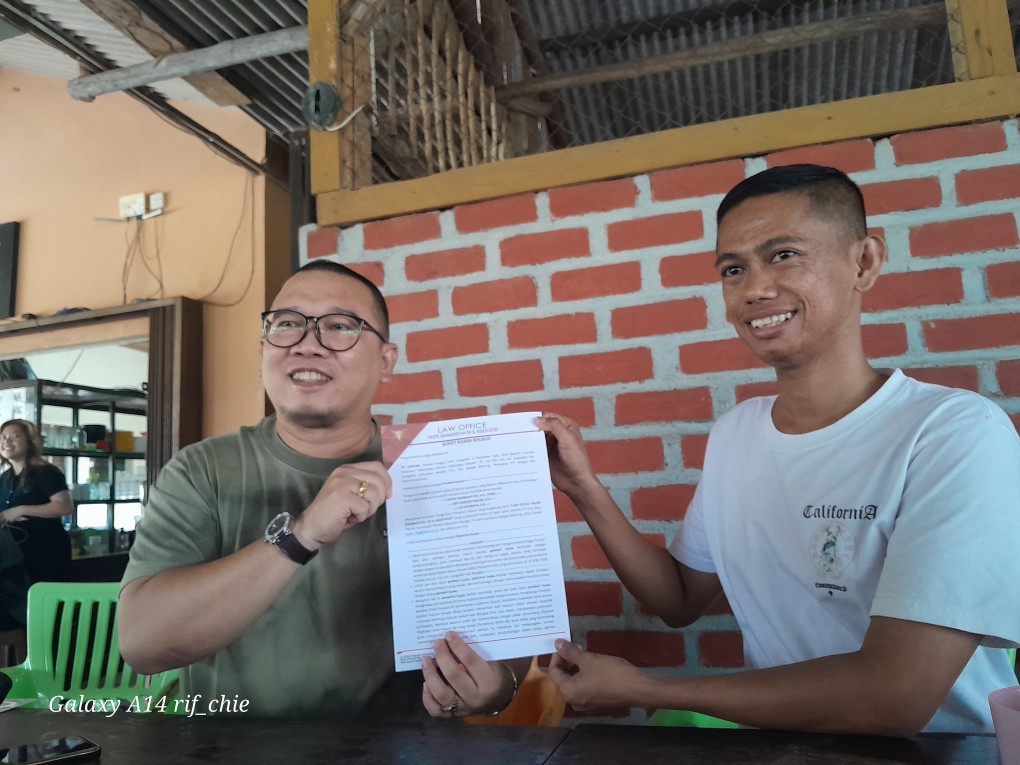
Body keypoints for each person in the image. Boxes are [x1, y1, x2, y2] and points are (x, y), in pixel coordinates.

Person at [537, 164, 1020, 736]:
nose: (755, 289)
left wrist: (644, 688)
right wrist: (584, 489)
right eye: (733, 269)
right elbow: (680, 599)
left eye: (784, 255)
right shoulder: (736, 434)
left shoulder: (953, 432)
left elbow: (893, 698)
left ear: (864, 262)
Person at [118, 260, 530, 720]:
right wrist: (300, 535)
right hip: (232, 748)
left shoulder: (440, 469)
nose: (307, 344)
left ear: (386, 361)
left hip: (402, 749)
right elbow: (143, 644)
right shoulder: (202, 471)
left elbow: (508, 641)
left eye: (339, 327)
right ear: (263, 349)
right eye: (287, 324)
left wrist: (497, 688)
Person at [0, 419, 73, 583]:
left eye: (15, 436)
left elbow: (64, 506)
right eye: (3, 437)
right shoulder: (5, 478)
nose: (7, 442)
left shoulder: (46, 472)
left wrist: (21, 510)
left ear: (30, 442)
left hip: (46, 550)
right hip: (14, 554)